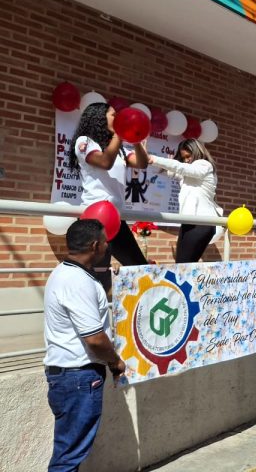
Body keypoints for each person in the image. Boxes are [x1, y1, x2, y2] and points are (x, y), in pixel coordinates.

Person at [43, 219, 126, 470]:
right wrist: (115, 362)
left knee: (70, 453)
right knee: (68, 458)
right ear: (95, 245)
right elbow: (95, 338)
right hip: (77, 378)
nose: (107, 246)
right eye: (105, 241)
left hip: (70, 377)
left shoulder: (67, 273)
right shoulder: (77, 281)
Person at [68, 103, 148, 293]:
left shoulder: (117, 147)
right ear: (99, 117)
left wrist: (135, 138)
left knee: (138, 265)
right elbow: (104, 162)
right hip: (95, 218)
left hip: (115, 218)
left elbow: (142, 164)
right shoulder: (85, 141)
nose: (118, 118)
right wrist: (120, 133)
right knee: (96, 275)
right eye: (114, 115)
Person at [148, 139, 221, 263]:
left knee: (183, 265)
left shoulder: (204, 165)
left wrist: (154, 159)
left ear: (197, 152)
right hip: (190, 222)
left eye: (188, 156)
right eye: (183, 158)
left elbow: (181, 168)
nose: (186, 160)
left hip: (201, 223)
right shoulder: (189, 175)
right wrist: (146, 159)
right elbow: (171, 171)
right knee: (182, 266)